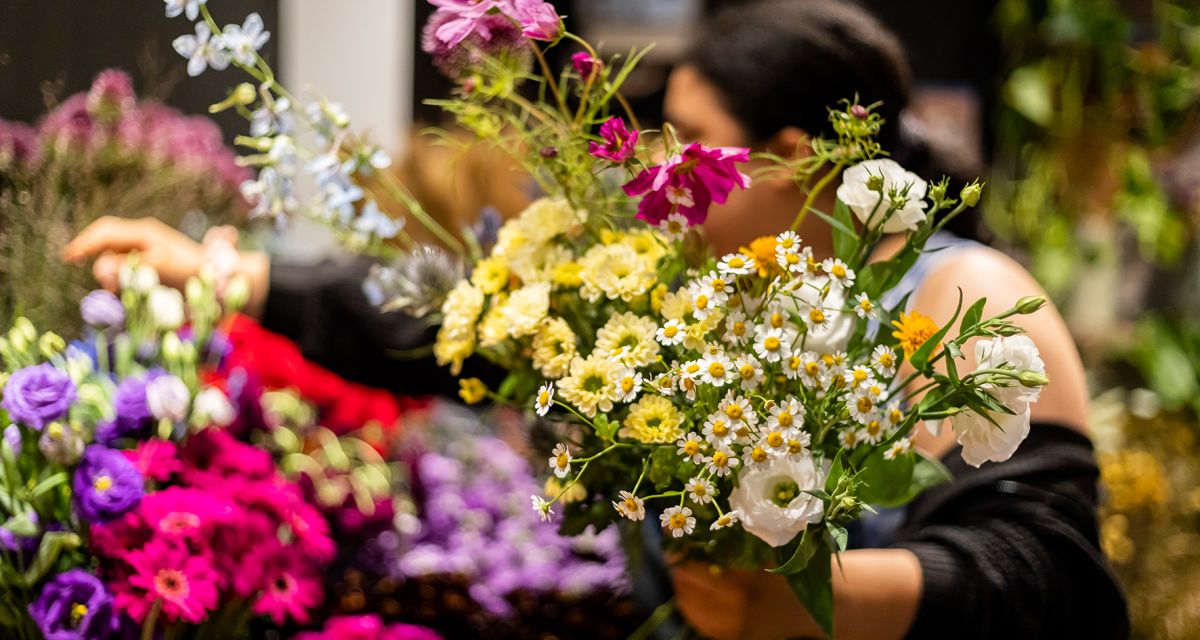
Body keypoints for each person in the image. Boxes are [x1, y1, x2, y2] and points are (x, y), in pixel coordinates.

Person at [63, 1, 1129, 638]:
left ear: (797, 157)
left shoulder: (963, 299)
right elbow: (457, 326)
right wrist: (234, 273)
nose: (662, 166)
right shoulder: (682, 289)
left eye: (693, 138)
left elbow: (1057, 589)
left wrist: (822, 601)